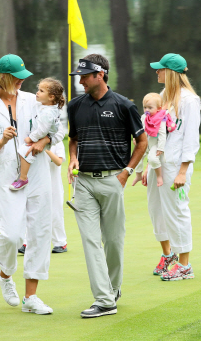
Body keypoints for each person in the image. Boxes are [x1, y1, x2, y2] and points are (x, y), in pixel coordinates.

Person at [0, 54, 65, 315]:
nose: (22, 83)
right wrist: (1, 141)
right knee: (11, 234)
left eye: (23, 79)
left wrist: (45, 141)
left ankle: (31, 297)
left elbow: (59, 128)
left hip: (38, 173)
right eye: (17, 78)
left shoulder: (35, 100)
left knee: (39, 232)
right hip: (7, 178)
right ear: (5, 78)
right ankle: (5, 275)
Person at [68, 54, 147, 318]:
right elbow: (74, 139)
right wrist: (72, 159)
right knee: (91, 241)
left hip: (114, 179)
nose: (80, 81)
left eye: (84, 76)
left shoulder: (124, 106)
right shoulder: (75, 106)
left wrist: (126, 173)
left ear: (99, 75)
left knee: (113, 241)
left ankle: (112, 290)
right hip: (84, 183)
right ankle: (104, 300)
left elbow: (142, 142)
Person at [144, 53, 201, 281]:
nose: (157, 72)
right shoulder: (162, 96)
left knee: (177, 211)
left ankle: (185, 265)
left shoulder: (189, 100)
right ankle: (168, 255)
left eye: (160, 69)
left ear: (171, 73)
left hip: (176, 166)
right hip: (158, 164)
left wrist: (183, 171)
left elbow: (190, 139)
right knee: (156, 210)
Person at [9, 78, 65, 190]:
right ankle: (22, 176)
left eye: (41, 91)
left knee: (24, 152)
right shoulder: (47, 106)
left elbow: (43, 130)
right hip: (44, 138)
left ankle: (23, 178)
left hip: (43, 138)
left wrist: (31, 138)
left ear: (51, 97)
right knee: (26, 152)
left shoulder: (48, 113)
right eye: (38, 89)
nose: (37, 92)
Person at [132, 93, 176, 187]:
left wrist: (160, 148)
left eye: (150, 108)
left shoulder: (161, 119)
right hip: (145, 143)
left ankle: (159, 176)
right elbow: (139, 129)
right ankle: (138, 175)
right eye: (145, 107)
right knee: (137, 157)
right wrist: (136, 138)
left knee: (152, 158)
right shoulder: (144, 117)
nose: (147, 110)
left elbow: (162, 134)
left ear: (159, 108)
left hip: (154, 143)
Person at [46, 141, 68, 253]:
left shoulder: (57, 143)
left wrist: (46, 149)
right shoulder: (33, 140)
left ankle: (60, 243)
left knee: (55, 213)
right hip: (37, 184)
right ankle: (27, 242)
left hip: (54, 185)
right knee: (31, 213)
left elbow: (59, 161)